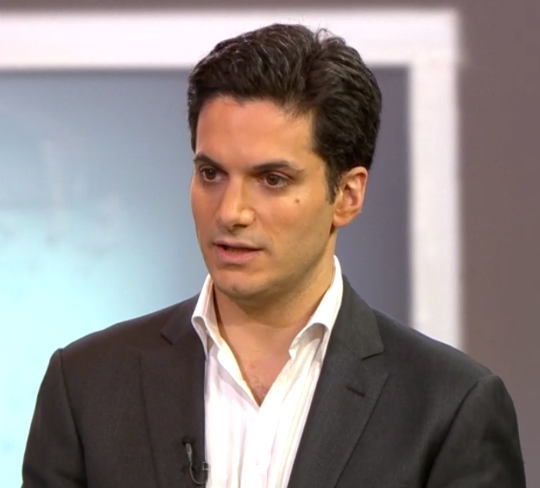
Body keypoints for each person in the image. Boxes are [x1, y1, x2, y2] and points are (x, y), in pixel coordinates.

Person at [22, 23, 526, 488]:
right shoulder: (87, 387)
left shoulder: (449, 409)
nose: (231, 212)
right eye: (211, 174)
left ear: (347, 195)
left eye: (272, 180)